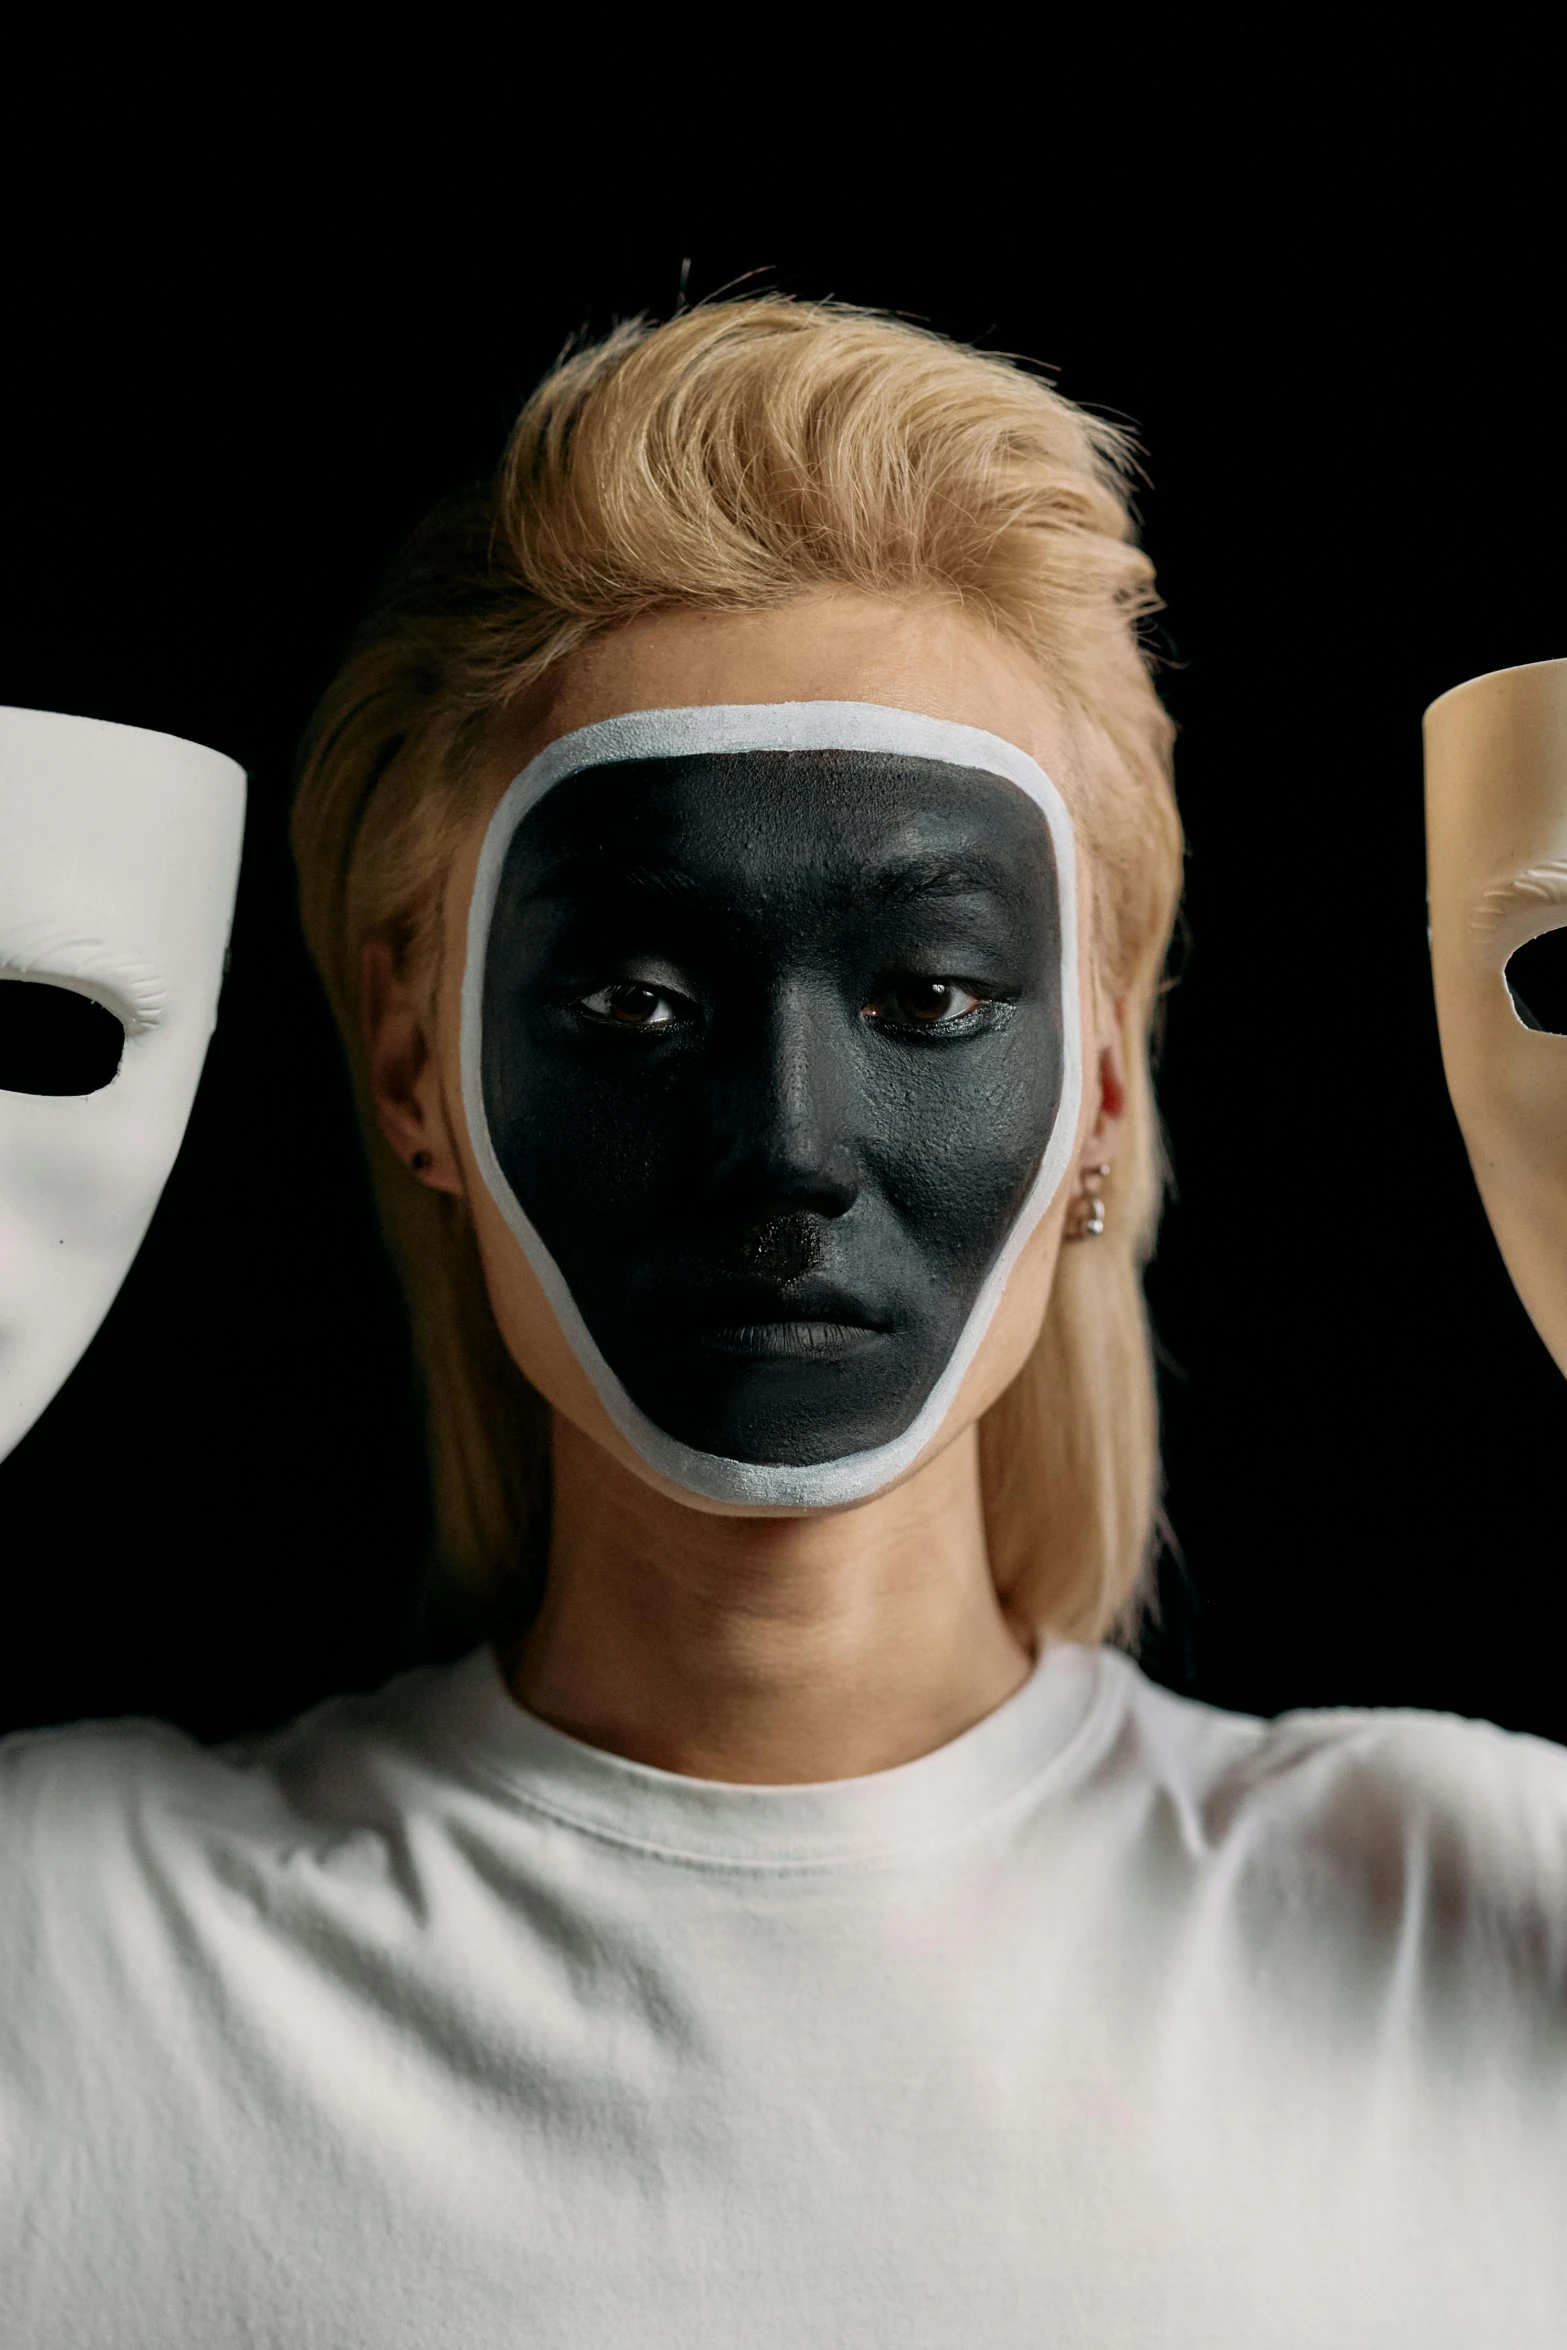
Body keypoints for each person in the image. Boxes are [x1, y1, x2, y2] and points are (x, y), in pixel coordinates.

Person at [3, 299, 1563, 2347]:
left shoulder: (1482, 1907)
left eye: (927, 998)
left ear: (1099, 1074)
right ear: (416, 1061)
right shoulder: (66, 1948)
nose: (790, 1151)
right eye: (639, 1006)